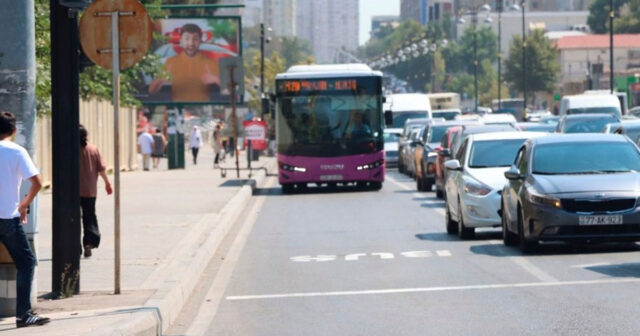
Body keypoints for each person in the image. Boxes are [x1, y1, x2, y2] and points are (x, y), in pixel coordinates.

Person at [0, 112, 50, 327]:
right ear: (14, 130)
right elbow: (37, 182)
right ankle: (23, 314)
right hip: (7, 218)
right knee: (26, 261)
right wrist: (24, 204)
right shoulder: (17, 152)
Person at [149, 24, 220, 102]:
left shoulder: (209, 62)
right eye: (187, 39)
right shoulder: (171, 62)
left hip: (204, 109)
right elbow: (151, 91)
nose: (191, 43)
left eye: (195, 39)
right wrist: (161, 79)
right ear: (181, 40)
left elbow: (230, 90)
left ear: (200, 41)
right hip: (178, 108)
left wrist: (215, 79)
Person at [79, 125, 112, 258]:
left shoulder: (69, 150)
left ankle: (74, 247)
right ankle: (89, 243)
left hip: (72, 191)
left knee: (72, 219)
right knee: (89, 216)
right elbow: (101, 169)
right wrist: (107, 183)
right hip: (89, 190)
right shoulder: (93, 149)